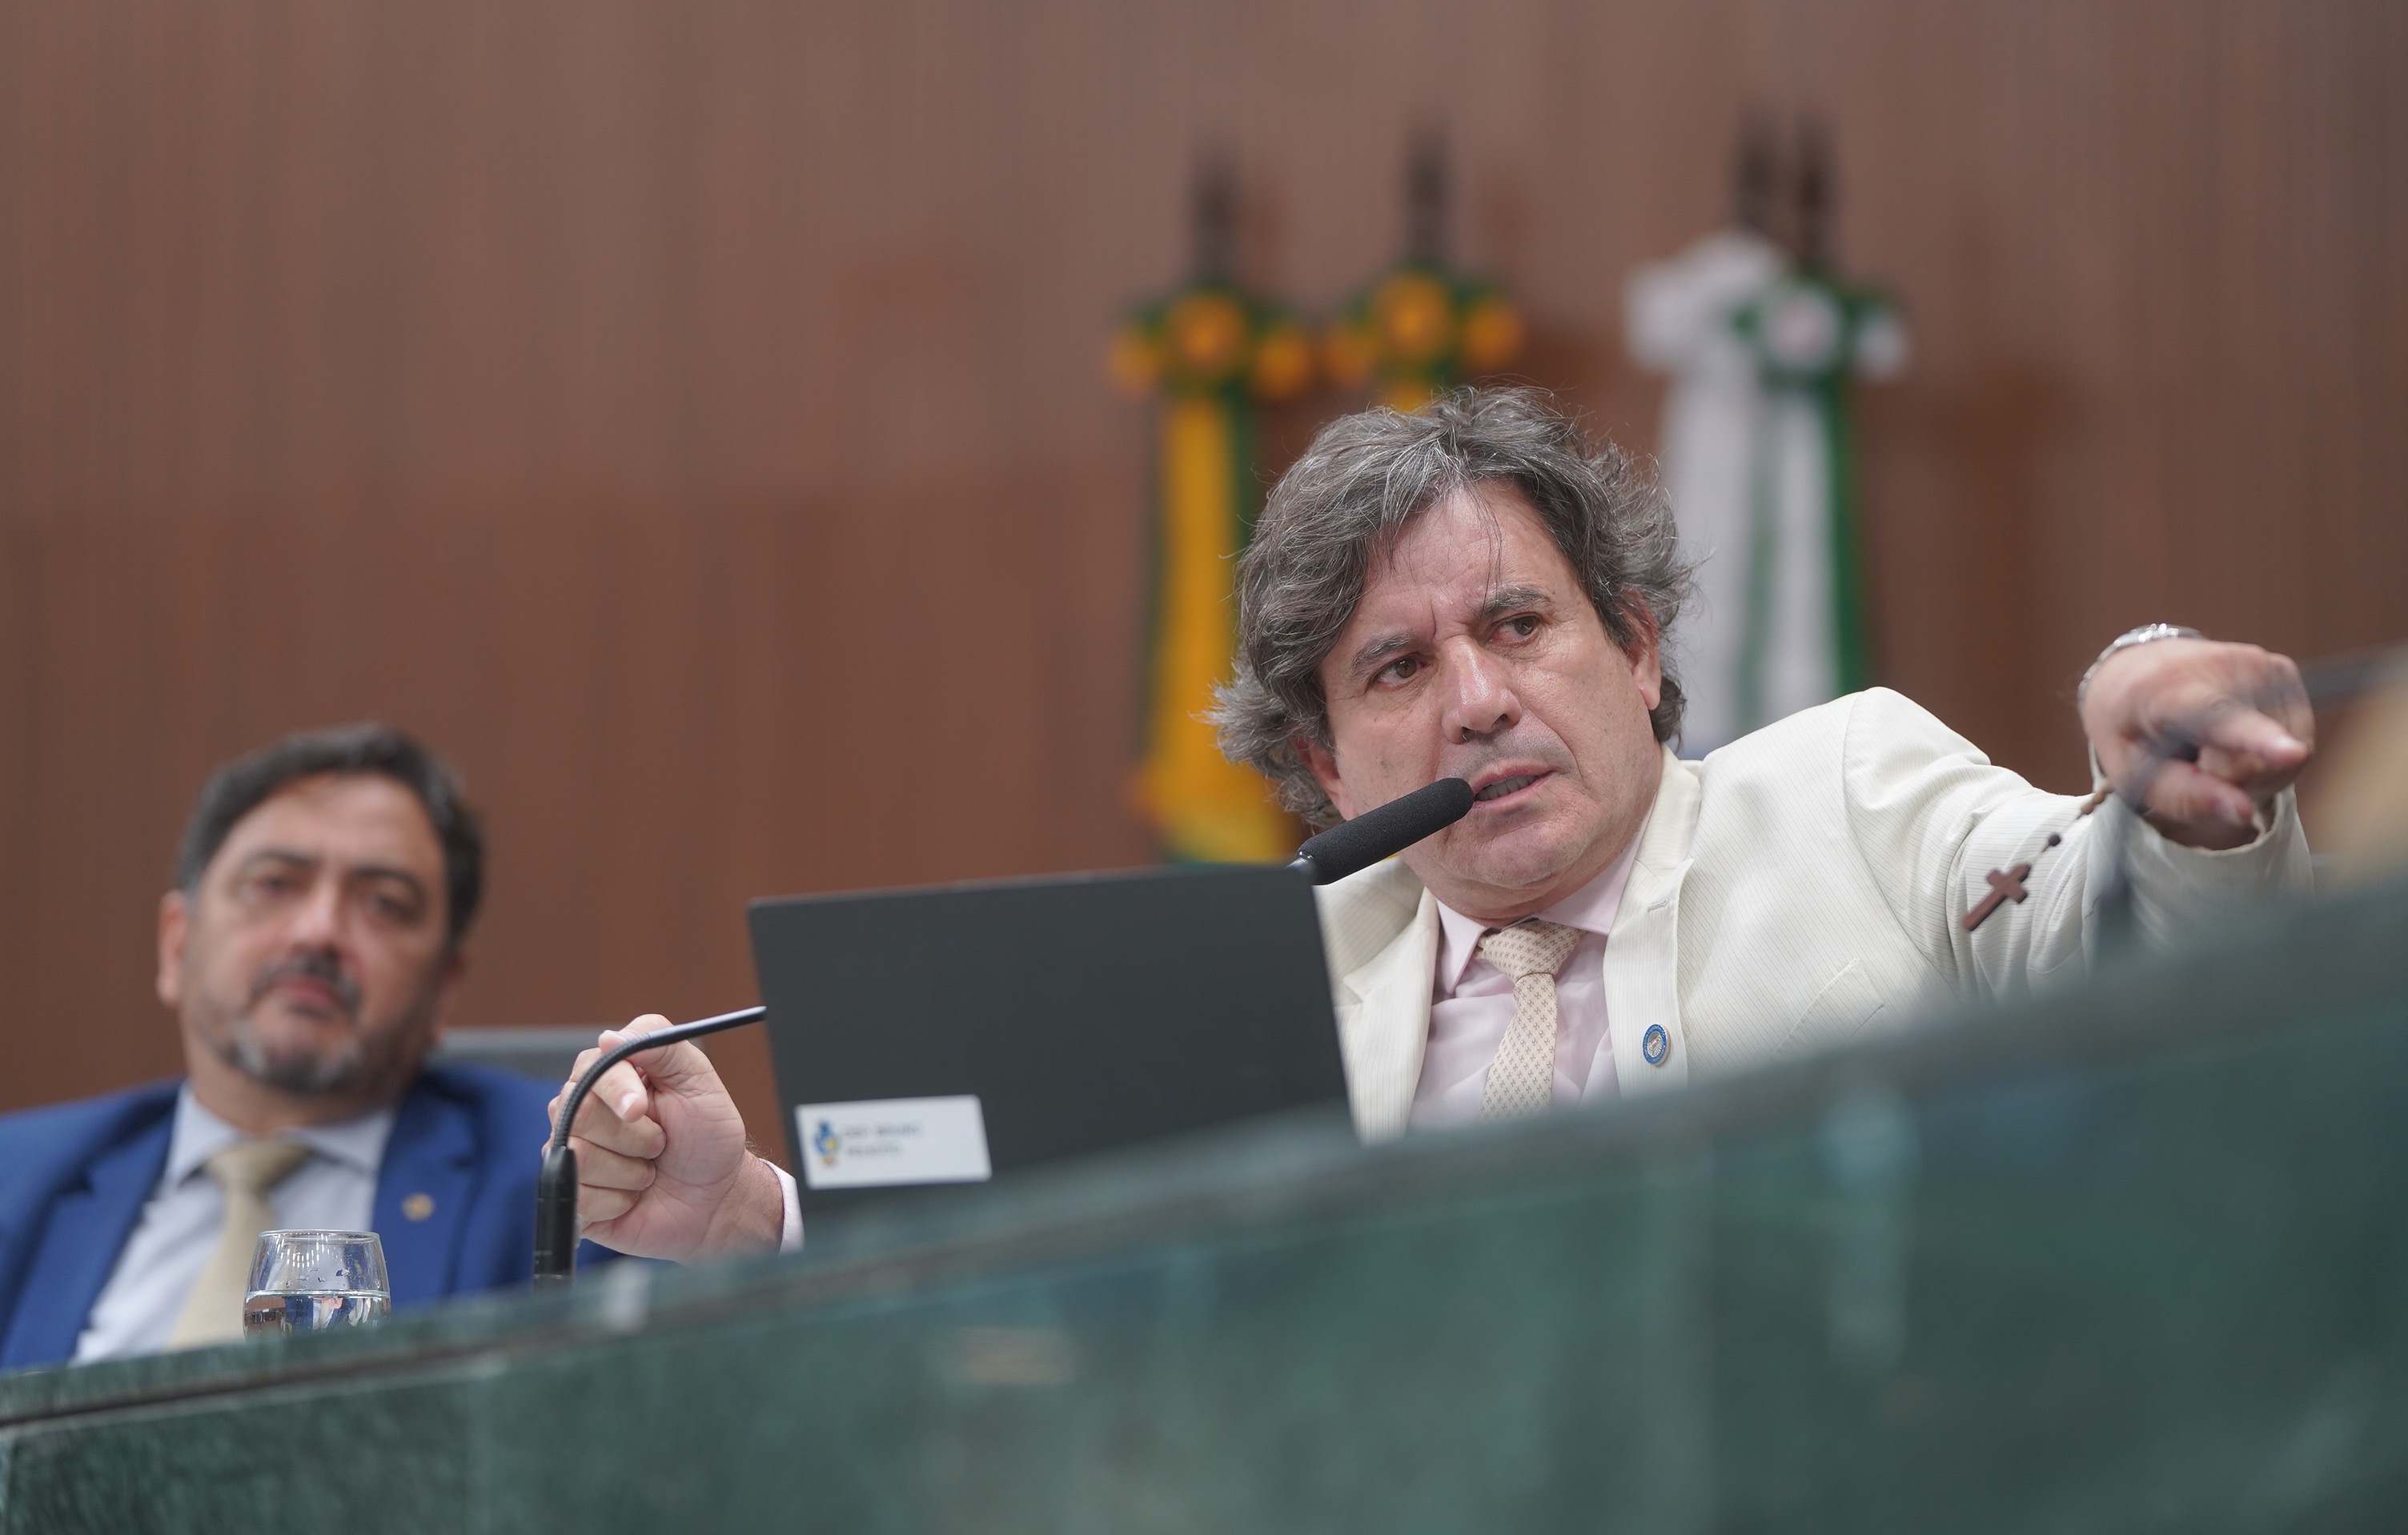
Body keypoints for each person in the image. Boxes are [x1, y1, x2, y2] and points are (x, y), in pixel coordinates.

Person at [553, 387, 2312, 1260]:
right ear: (1328, 768)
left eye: (1519, 626)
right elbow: (1033, 1259)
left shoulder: (1847, 789)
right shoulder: (1269, 969)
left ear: (1636, 650)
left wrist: (2180, 790)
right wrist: (750, 1212)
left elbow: (2122, 942)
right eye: (1394, 667)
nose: (1473, 701)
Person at [0, 725, 610, 1366]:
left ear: (444, 990)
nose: (318, 931)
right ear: (177, 946)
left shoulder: (565, 1175)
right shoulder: (18, 1181)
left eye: (383, 903)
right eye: (274, 884)